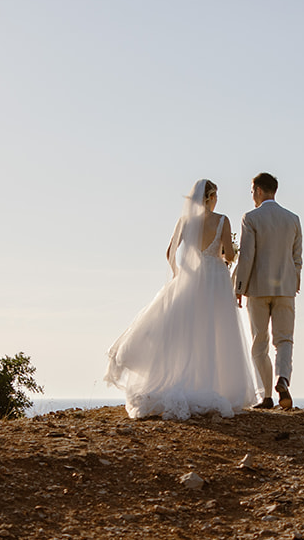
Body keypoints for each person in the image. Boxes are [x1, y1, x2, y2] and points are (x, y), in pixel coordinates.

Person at [104, 179, 260, 419]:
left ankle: (190, 381)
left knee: (189, 332)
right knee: (216, 332)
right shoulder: (222, 220)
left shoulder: (185, 222)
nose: (217, 200)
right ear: (210, 197)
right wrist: (227, 254)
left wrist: (180, 274)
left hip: (191, 280)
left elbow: (169, 252)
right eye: (215, 196)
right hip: (215, 280)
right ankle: (216, 386)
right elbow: (228, 254)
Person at [234, 172, 303, 410]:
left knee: (259, 343)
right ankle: (282, 378)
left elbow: (247, 256)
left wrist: (239, 287)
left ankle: (266, 396)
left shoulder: (251, 218)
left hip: (258, 289)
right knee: (284, 340)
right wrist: (295, 280)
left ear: (259, 191)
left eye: (252, 190)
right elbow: (297, 257)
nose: (252, 195)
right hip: (285, 288)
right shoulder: (293, 218)